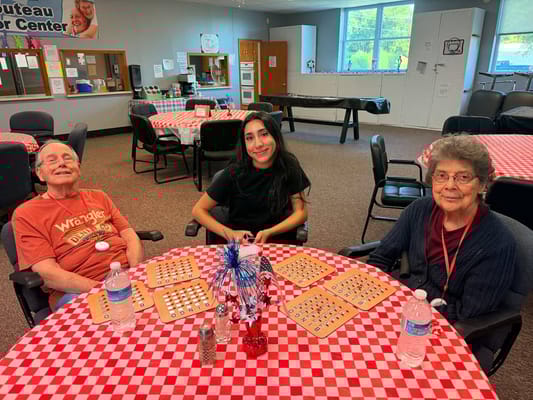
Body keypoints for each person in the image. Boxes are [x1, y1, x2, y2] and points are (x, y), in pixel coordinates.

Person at [367, 135, 516, 322]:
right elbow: (381, 257)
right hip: (397, 301)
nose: (450, 186)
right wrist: (374, 297)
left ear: (482, 184)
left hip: (440, 326)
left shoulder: (497, 244)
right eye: (442, 175)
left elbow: (468, 315)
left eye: (463, 177)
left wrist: (410, 314)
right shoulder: (419, 209)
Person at [13, 141, 144, 311]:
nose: (62, 163)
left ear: (78, 167)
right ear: (40, 173)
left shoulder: (99, 196)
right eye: (52, 160)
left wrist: (135, 273)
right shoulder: (27, 214)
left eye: (68, 158)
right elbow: (48, 273)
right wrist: (103, 289)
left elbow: (129, 236)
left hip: (125, 276)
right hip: (77, 291)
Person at [192, 111, 310, 244]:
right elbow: (198, 210)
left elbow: (301, 212)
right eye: (249, 138)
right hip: (239, 240)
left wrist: (270, 232)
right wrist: (230, 234)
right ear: (244, 144)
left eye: (264, 134)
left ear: (276, 136)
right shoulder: (234, 172)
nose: (258, 144)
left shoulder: (289, 166)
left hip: (277, 236)